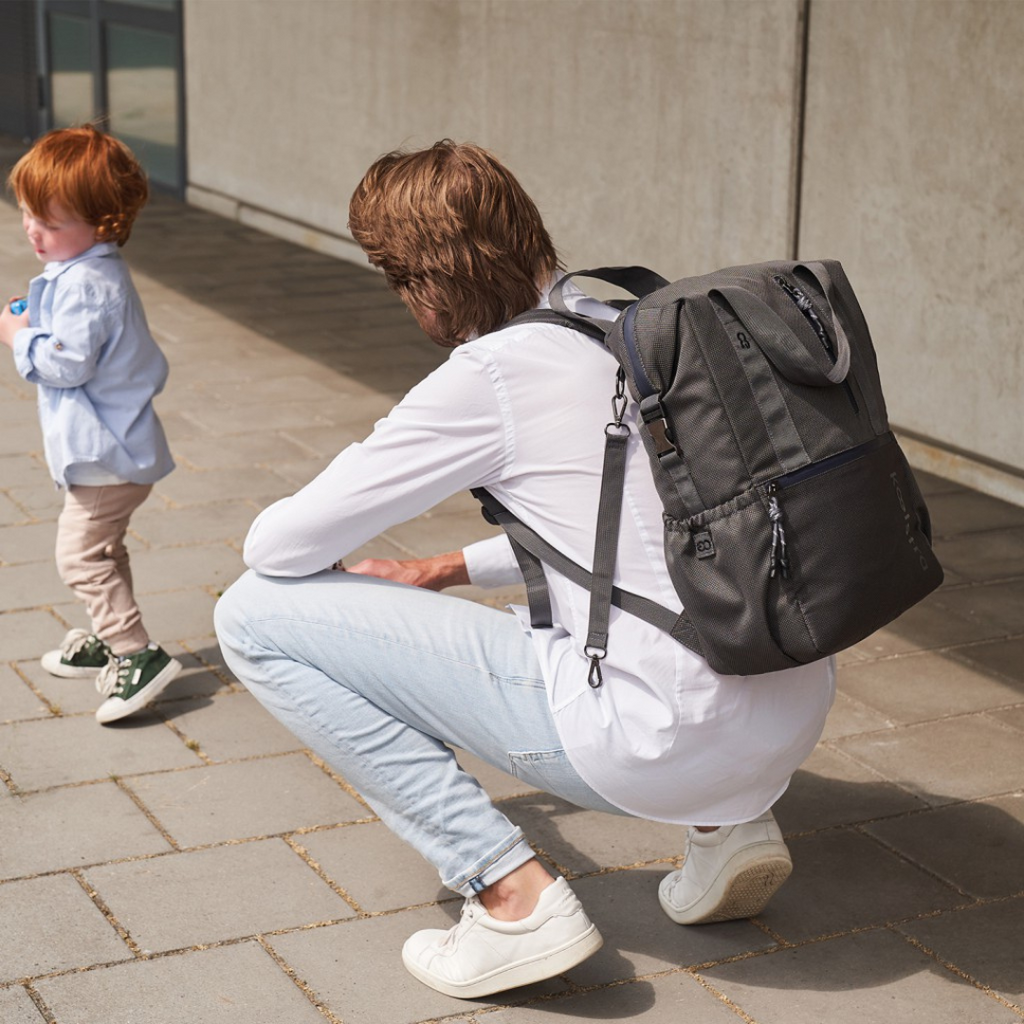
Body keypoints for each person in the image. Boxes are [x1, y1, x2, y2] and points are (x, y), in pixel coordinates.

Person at [214, 140, 835, 999]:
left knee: (251, 616)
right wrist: (443, 568)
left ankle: (510, 900)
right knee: (632, 610)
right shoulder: (627, 322)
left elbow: (276, 549)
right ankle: (730, 825)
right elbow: (646, 537)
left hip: (657, 740)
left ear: (423, 280)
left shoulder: (493, 373)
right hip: (787, 715)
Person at [0, 125, 181, 725]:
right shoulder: (80, 274)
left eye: (50, 222)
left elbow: (67, 365)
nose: (33, 229)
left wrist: (19, 336)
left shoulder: (88, 285)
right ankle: (110, 636)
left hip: (109, 457)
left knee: (79, 557)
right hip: (111, 452)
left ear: (103, 224)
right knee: (105, 548)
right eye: (28, 213)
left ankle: (137, 654)